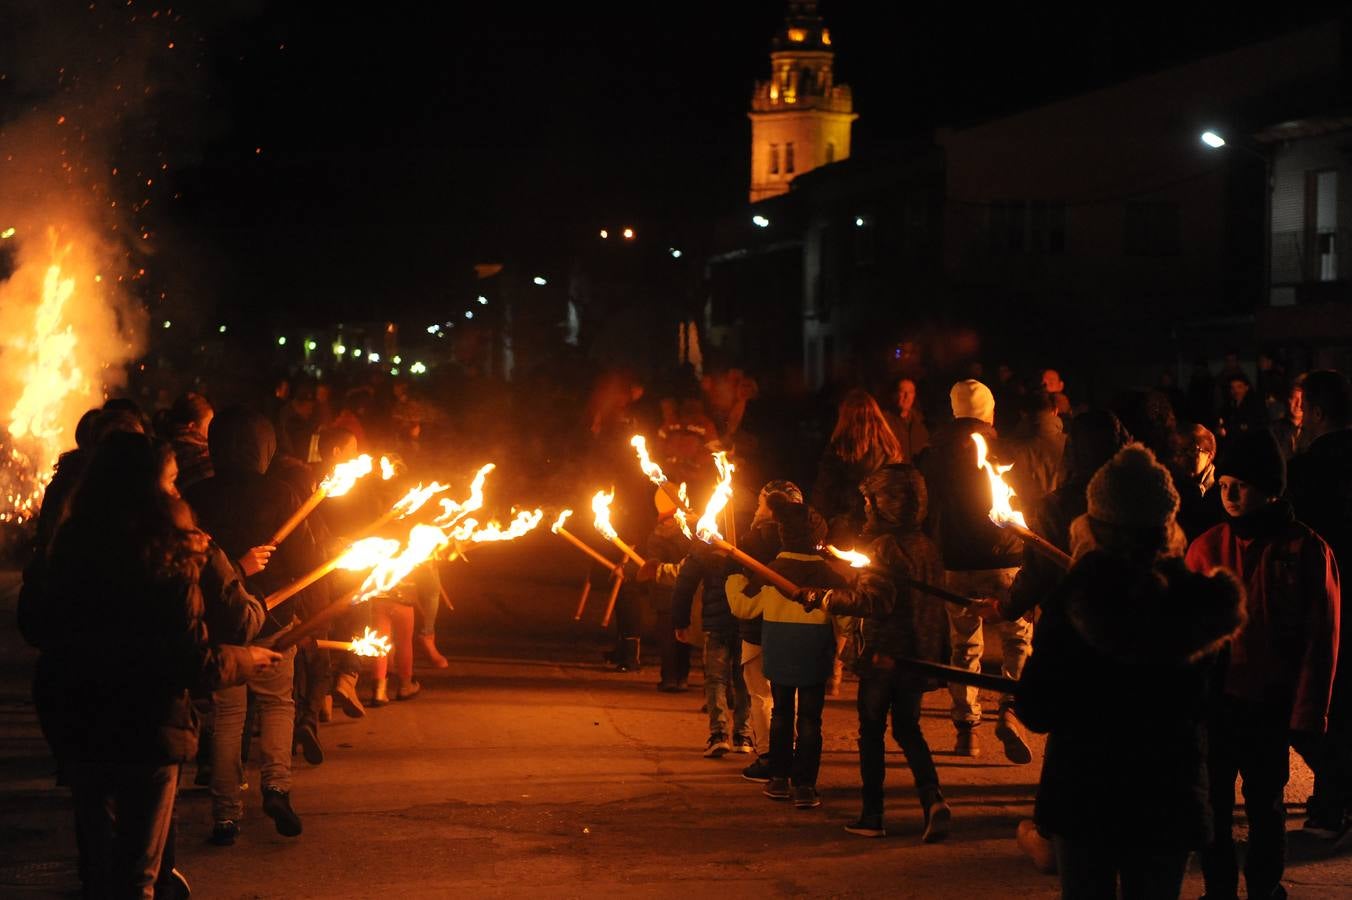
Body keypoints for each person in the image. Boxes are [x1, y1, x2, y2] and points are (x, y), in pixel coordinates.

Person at [34, 432, 278, 897]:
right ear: (149, 491)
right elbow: (187, 659)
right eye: (170, 484)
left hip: (76, 717)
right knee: (137, 875)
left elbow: (38, 624)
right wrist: (243, 659)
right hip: (144, 726)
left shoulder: (67, 545)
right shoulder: (172, 557)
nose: (178, 494)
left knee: (98, 865)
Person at [1018, 443, 1245, 899]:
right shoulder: (1199, 606)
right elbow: (1213, 706)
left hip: (1087, 794)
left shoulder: (1073, 600)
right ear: (1166, 525)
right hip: (1167, 794)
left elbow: (1038, 708)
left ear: (1096, 524)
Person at [1186, 430, 1340, 900]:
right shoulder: (1207, 548)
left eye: (1242, 486)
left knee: (1264, 804)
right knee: (1210, 802)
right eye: (1224, 484)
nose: (1229, 496)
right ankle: (1218, 888)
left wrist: (1309, 711)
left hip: (1268, 704)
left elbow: (1322, 635)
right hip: (1215, 703)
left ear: (1272, 488)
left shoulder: (1306, 550)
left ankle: (1264, 885)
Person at [797, 464, 953, 842]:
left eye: (871, 501)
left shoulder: (885, 546)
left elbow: (875, 601)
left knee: (871, 732)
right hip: (917, 653)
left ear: (888, 504)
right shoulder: (925, 545)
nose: (866, 508)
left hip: (885, 655)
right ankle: (932, 799)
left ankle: (872, 814)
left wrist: (826, 598)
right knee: (908, 727)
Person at [186, 407, 320, 846]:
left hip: (220, 619)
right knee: (278, 704)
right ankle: (276, 786)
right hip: (274, 618)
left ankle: (225, 813)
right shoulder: (281, 493)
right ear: (265, 446)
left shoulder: (197, 496)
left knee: (227, 715)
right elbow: (306, 560)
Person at [919, 379, 1031, 762]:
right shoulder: (1006, 451)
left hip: (957, 562)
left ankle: (966, 728)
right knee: (1017, 638)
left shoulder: (933, 456)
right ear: (990, 411)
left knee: (964, 645)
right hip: (1007, 560)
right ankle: (1010, 710)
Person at [725, 492, 846, 810]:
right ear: (820, 538)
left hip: (779, 655)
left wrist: (733, 579)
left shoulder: (770, 572)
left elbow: (743, 606)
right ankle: (805, 785)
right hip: (815, 657)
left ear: (783, 535)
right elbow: (847, 618)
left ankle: (778, 778)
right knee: (810, 720)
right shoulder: (831, 576)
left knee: (781, 714)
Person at [1287, 369, 1352, 838]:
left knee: (1320, 705)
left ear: (1320, 411)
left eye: (1303, 408)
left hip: (1325, 596)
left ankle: (1333, 805)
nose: (1298, 417)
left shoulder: (1310, 468)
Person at [672, 542, 753, 758]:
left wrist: (680, 621)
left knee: (716, 679)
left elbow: (684, 584)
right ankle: (742, 735)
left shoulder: (704, 546)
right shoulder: (751, 541)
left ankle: (719, 734)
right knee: (743, 677)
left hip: (717, 623)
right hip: (745, 621)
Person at [813, 388, 903, 546]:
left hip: (846, 525)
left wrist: (818, 523)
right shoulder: (890, 448)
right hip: (884, 526)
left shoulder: (840, 448)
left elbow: (825, 488)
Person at [1005, 389, 1066, 507]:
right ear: (1055, 411)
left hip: (1022, 520)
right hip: (1063, 519)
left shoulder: (1008, 448)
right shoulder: (1071, 445)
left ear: (1022, 413)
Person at [1172, 423, 1224, 543]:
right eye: (1179, 451)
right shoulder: (1176, 487)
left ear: (1210, 455)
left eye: (1191, 450)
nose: (1183, 458)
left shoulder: (1223, 487)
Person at [164, 392, 215, 491]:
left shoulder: (162, 450)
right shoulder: (205, 457)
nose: (212, 428)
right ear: (192, 426)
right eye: (209, 424)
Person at [883, 377, 929, 463]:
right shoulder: (884, 423)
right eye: (902, 391)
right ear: (894, 394)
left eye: (911, 392)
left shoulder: (922, 424)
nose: (907, 396)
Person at [1272, 377, 1310, 462]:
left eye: (1302, 400)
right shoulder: (1274, 429)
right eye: (1294, 399)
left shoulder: (1313, 430)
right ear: (1288, 400)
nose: (1298, 404)